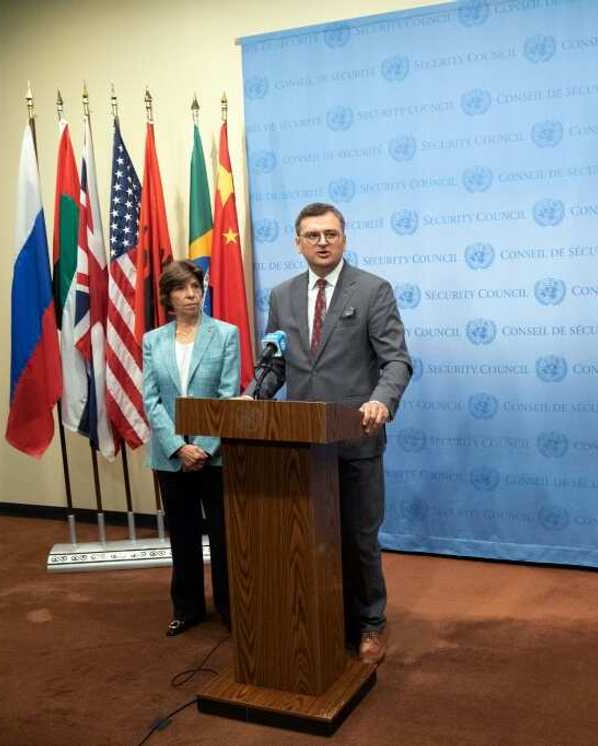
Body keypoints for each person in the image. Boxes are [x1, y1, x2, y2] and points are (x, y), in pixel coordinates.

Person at [245, 202, 412, 665]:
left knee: (359, 538)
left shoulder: (373, 290)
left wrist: (381, 400)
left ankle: (371, 623)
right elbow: (275, 362)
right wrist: (252, 397)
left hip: (356, 437)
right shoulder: (281, 296)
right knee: (310, 539)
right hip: (301, 446)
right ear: (297, 242)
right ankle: (321, 617)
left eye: (331, 234)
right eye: (312, 235)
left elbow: (396, 360)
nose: (322, 242)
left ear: (344, 238)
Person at [143, 259, 240, 637]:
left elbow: (228, 395)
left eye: (196, 287)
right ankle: (187, 608)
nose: (191, 294)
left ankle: (231, 607)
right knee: (182, 535)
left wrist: (202, 447)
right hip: (170, 457)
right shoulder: (154, 340)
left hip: (213, 456)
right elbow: (151, 399)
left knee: (223, 535)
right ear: (168, 296)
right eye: (182, 288)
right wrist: (177, 447)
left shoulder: (226, 334)